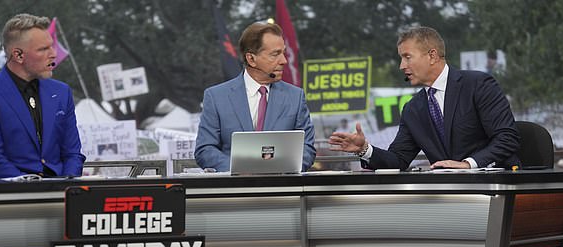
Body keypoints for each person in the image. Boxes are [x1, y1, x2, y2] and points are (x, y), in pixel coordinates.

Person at [329, 26, 520, 170]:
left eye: (407, 57)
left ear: (432, 56)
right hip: (448, 195)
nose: (401, 66)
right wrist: (365, 149)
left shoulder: (478, 84)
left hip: (496, 186)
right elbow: (399, 160)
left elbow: (507, 138)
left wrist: (467, 164)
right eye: (401, 58)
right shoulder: (413, 108)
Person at [0, 13, 85, 180]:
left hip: (60, 193)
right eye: (43, 49)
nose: (53, 54)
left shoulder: (62, 92)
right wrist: (34, 187)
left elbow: (72, 153)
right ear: (18, 55)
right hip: (6, 196)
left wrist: (66, 185)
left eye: (52, 46)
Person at [195, 22, 316, 172]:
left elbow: (307, 149)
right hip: (234, 190)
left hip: (283, 190)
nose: (284, 61)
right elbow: (205, 149)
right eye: (275, 54)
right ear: (251, 59)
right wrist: (239, 170)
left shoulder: (295, 97)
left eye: (283, 53)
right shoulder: (216, 97)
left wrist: (281, 170)